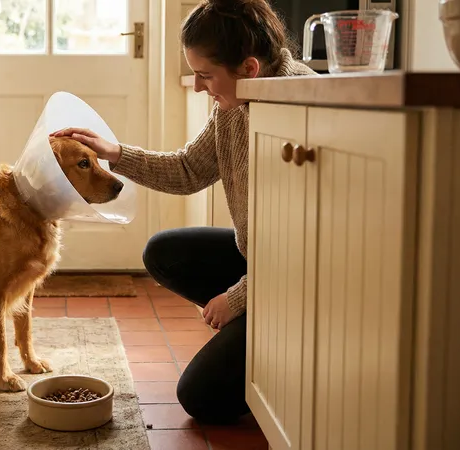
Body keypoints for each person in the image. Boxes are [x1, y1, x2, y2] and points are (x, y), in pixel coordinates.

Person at [51, 0, 317, 425]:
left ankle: (281, 340)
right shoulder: (235, 104)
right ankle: (256, 332)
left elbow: (307, 245)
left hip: (302, 282)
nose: (197, 86)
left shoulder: (299, 110)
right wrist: (114, 153)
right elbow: (189, 170)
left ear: (248, 69)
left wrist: (238, 297)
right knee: (165, 251)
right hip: (266, 264)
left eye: (205, 75)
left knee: (200, 397)